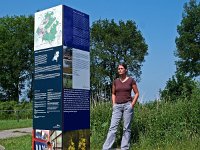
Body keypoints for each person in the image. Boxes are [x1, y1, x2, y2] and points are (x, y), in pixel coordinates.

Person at [102, 63, 139, 150]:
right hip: (117, 106)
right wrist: (114, 104)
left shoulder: (131, 80)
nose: (120, 70)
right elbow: (113, 93)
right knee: (112, 128)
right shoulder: (116, 81)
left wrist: (132, 105)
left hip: (127, 106)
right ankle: (106, 148)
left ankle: (124, 148)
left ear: (126, 70)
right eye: (118, 68)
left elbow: (137, 93)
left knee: (126, 128)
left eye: (122, 68)